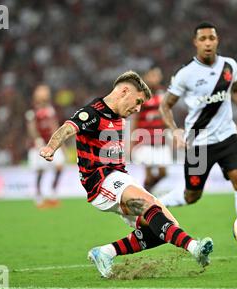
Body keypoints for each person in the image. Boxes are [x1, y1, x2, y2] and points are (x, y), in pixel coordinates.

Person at [39, 71, 213, 278]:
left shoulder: (118, 116)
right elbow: (68, 128)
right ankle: (195, 248)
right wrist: (51, 147)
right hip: (100, 181)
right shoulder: (93, 113)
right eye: (138, 101)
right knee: (149, 204)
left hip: (119, 177)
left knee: (164, 226)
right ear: (124, 92)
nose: (138, 108)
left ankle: (105, 252)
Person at [158, 22, 237, 254]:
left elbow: (236, 89)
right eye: (203, 39)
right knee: (192, 195)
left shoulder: (229, 65)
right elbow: (165, 105)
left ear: (217, 40)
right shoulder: (185, 74)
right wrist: (174, 130)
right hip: (198, 142)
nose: (208, 42)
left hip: (228, 136)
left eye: (212, 38)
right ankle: (160, 203)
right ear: (195, 42)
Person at [130, 67, 172, 192]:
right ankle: (146, 196)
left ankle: (146, 192)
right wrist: (132, 141)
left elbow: (167, 116)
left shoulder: (163, 94)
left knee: (163, 172)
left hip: (160, 140)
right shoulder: (141, 96)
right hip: (145, 141)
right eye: (153, 75)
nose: (155, 78)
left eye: (157, 76)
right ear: (146, 77)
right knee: (148, 174)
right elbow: (135, 118)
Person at [25, 85, 65, 208]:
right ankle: (38, 197)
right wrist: (37, 139)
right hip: (38, 145)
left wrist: (60, 142)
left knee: (59, 166)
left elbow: (54, 126)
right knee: (40, 171)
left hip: (51, 144)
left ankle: (53, 194)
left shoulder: (50, 110)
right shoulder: (32, 111)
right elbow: (31, 128)